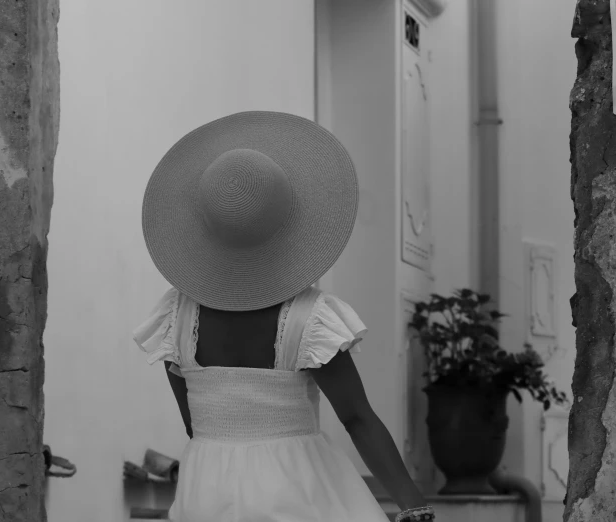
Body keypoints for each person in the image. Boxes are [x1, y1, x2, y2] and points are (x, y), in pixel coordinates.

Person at [133, 111, 436, 522]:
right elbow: (356, 417)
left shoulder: (176, 317)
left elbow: (194, 422)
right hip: (294, 488)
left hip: (205, 490)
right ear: (288, 225)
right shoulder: (309, 319)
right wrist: (413, 507)